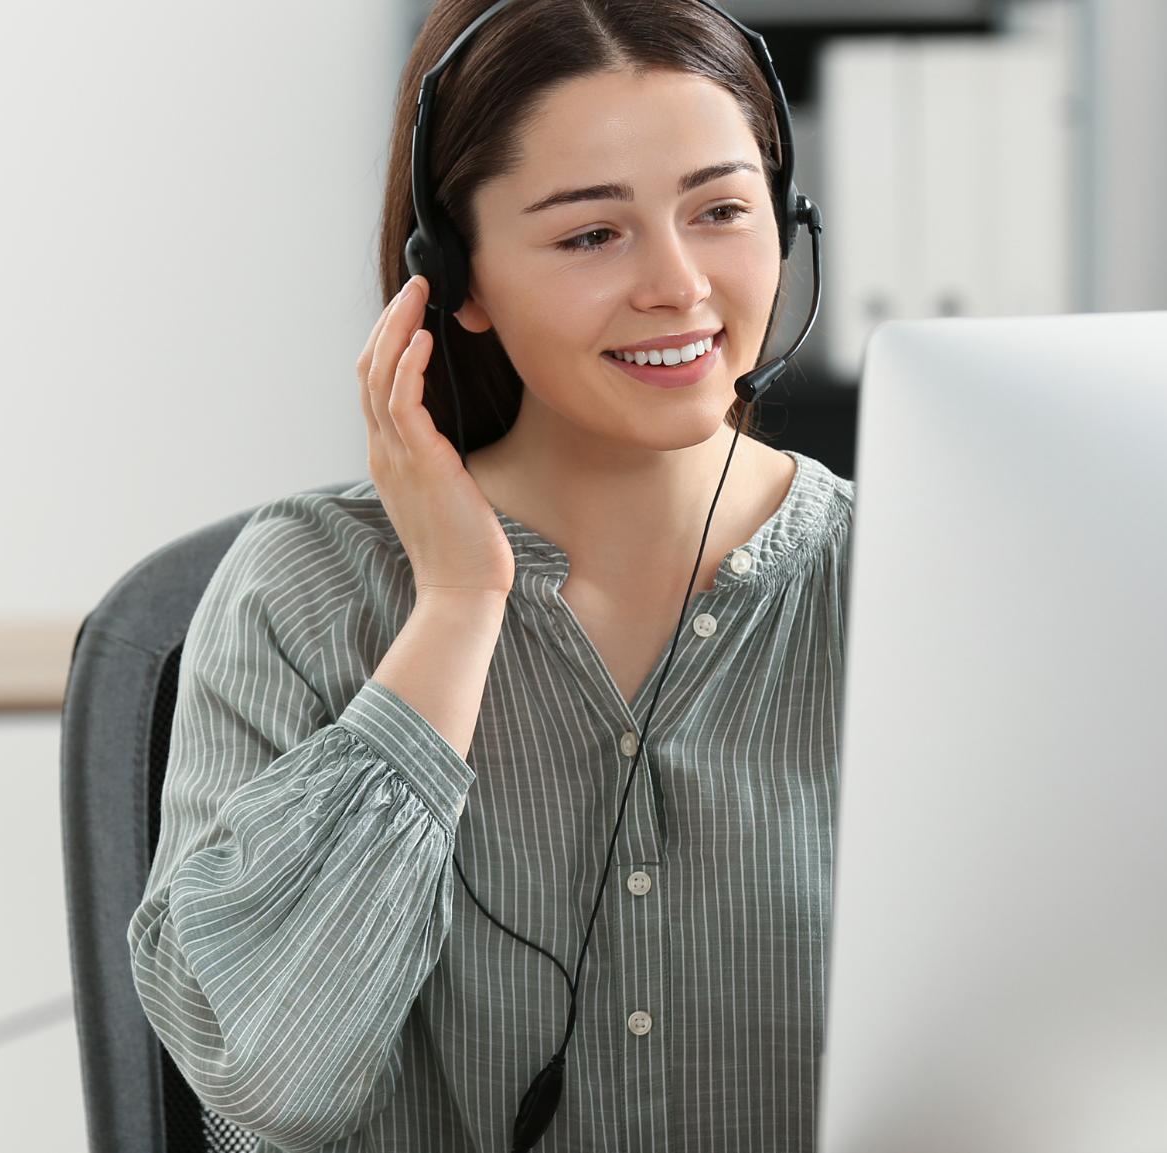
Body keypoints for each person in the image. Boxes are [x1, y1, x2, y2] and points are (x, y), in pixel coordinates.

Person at [128, 1, 853, 1148]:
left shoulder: (900, 585)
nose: (678, 285)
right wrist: (460, 607)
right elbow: (269, 1082)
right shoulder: (307, 591)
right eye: (588, 236)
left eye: (720, 210)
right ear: (454, 278)